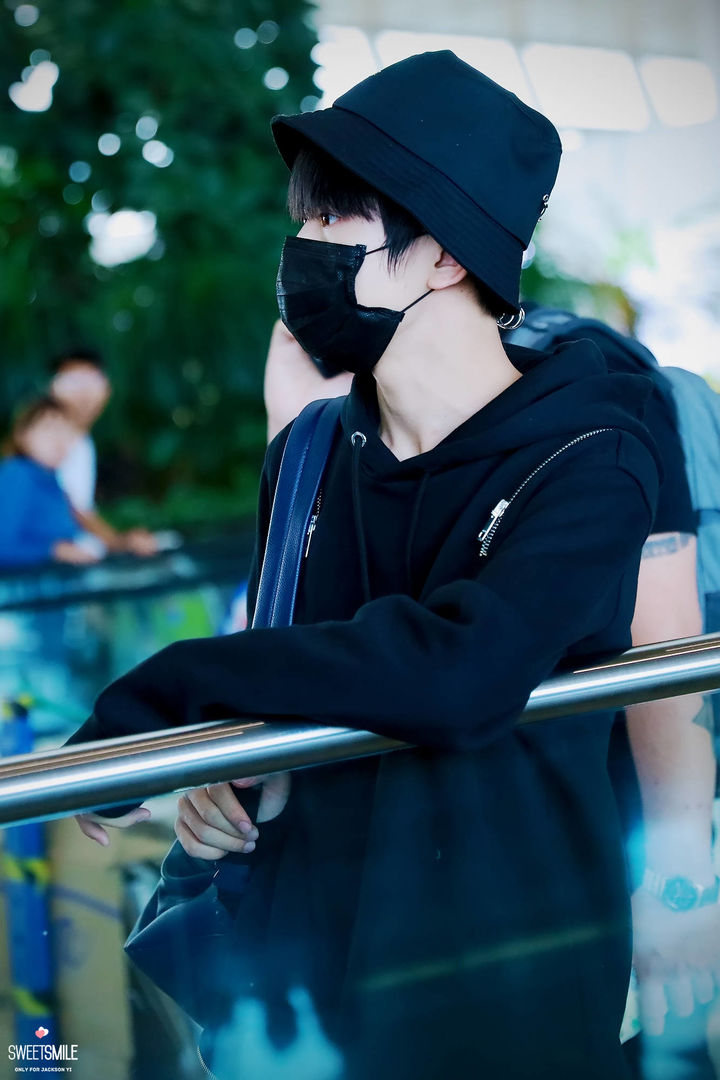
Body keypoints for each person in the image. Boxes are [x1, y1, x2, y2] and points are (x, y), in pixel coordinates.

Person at [65, 52, 662, 1078]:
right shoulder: (307, 453)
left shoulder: (591, 459)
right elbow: (297, 672)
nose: (301, 251)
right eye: (303, 220)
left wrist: (173, 690)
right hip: (298, 1000)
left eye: (337, 219)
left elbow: (461, 674)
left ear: (445, 256)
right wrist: (230, 775)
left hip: (502, 991)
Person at [49, 348, 158, 557]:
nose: (83, 394)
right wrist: (119, 542)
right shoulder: (46, 439)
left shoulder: (82, 442)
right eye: (72, 383)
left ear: (106, 390)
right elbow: (71, 507)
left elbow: (82, 508)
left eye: (92, 382)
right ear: (53, 389)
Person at [0, 396, 100, 567]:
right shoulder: (17, 473)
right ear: (23, 435)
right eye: (50, 429)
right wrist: (53, 551)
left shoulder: (52, 481)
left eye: (67, 432)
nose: (60, 440)